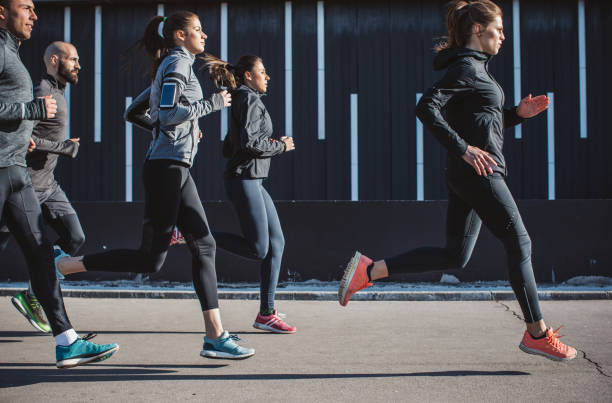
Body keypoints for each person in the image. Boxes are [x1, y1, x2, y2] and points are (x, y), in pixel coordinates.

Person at [338, 0, 577, 362]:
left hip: (467, 173)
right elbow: (426, 107)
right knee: (520, 243)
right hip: (479, 172)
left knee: (455, 255)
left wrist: (516, 115)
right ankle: (537, 333)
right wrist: (464, 149)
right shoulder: (467, 67)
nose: (503, 37)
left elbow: (479, 120)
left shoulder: (475, 68)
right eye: (498, 30)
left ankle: (369, 270)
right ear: (478, 30)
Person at [54, 11, 255, 359]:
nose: (204, 35)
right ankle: (64, 266)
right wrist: (210, 106)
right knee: (154, 258)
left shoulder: (172, 64)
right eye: (197, 30)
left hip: (171, 166)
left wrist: (179, 130)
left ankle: (215, 336)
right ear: (179, 35)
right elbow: (166, 112)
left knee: (199, 245)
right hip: (167, 169)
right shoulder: (178, 63)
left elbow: (135, 112)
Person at [0, 0, 118, 368]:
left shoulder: (11, 53)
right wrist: (30, 112)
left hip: (17, 171)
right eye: (26, 8)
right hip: (3, 169)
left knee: (41, 254)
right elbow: (21, 117)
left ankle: (67, 341)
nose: (35, 16)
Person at [203, 53, 297, 334]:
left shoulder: (243, 99)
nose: (267, 77)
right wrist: (280, 146)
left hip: (253, 180)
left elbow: (229, 146)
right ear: (248, 75)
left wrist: (264, 142)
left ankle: (266, 314)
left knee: (276, 243)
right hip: (244, 180)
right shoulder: (248, 99)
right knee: (259, 249)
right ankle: (194, 234)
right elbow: (250, 143)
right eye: (263, 72)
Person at [4, 41, 83, 334]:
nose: (78, 65)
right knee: (35, 250)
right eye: (72, 59)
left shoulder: (59, 92)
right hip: (28, 188)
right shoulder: (42, 91)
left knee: (75, 238)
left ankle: (32, 295)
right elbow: (25, 140)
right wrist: (65, 148)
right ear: (54, 60)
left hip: (50, 186)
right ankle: (40, 299)